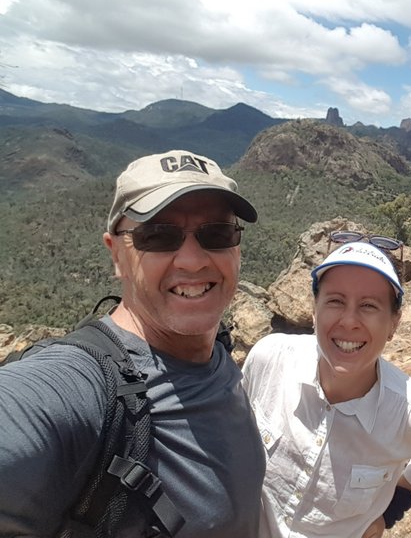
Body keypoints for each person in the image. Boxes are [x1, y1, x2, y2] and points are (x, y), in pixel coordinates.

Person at [0, 150, 266, 537]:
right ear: (115, 254)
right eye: (158, 236)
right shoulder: (80, 387)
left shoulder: (219, 351)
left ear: (236, 248)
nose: (192, 261)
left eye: (217, 234)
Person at [241, 234, 411, 538]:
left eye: (369, 306)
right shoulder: (270, 359)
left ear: (394, 323)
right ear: (315, 309)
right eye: (335, 301)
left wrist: (395, 503)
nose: (349, 321)